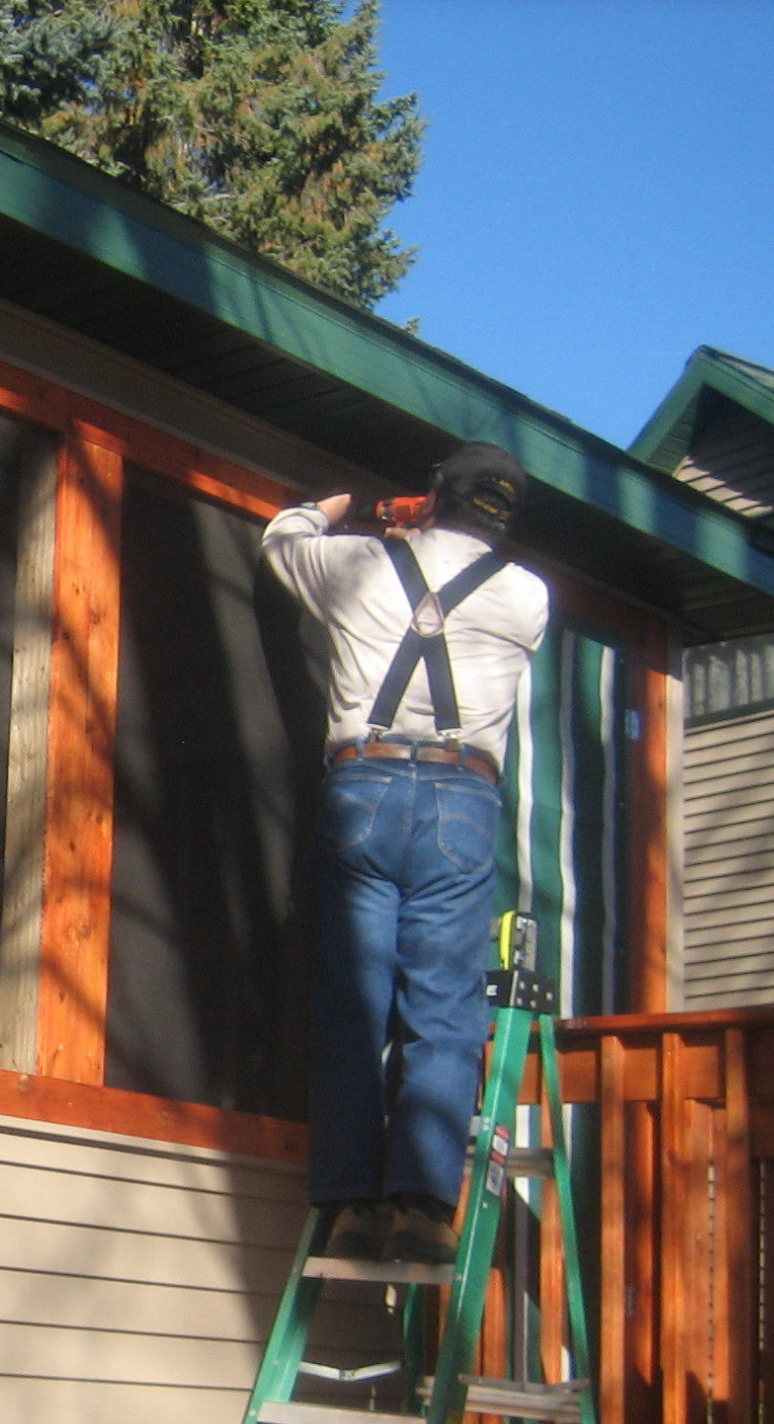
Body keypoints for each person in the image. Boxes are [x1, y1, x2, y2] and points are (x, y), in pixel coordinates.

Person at [263, 443, 550, 1266]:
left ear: (433, 496)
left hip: (365, 786)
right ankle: (422, 1206)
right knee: (443, 1005)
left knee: (355, 1000)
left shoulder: (356, 564)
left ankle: (349, 1205)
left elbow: (281, 542)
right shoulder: (529, 595)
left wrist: (341, 507)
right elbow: (470, 572)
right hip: (462, 798)